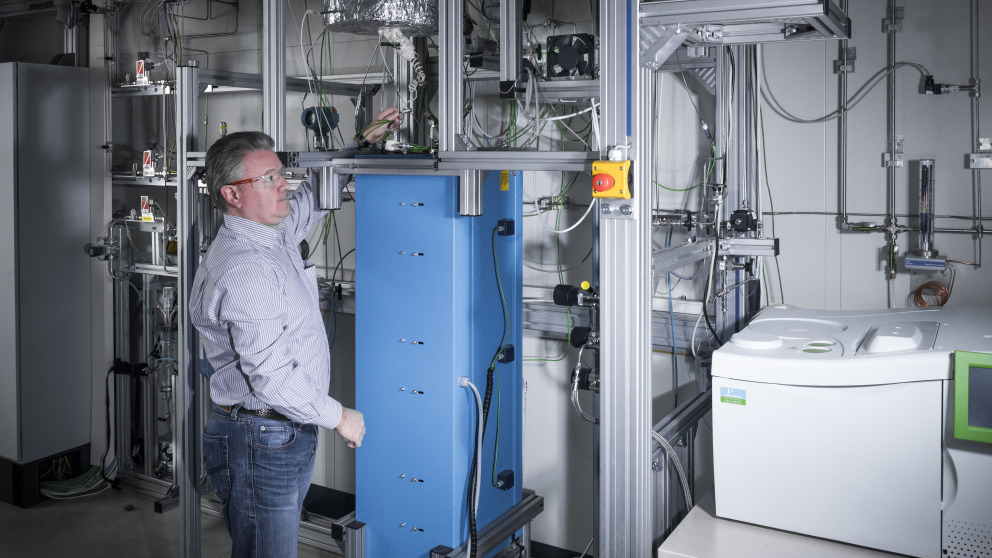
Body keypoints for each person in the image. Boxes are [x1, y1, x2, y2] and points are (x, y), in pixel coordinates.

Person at [190, 107, 402, 557]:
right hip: (259, 437)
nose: (283, 183)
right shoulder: (247, 267)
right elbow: (271, 378)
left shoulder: (272, 235)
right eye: (268, 179)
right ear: (232, 194)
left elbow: (314, 196)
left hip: (275, 432)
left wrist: (361, 145)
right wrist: (339, 415)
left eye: (280, 174)